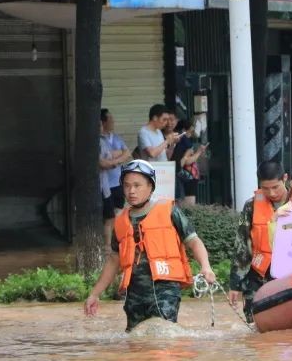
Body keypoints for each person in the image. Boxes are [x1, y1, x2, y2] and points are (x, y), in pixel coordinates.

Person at [84, 160, 215, 331]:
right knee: (136, 344)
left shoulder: (169, 211)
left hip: (165, 289)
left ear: (150, 186)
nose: (131, 191)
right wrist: (95, 294)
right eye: (127, 185)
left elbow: (194, 241)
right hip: (135, 294)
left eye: (137, 185)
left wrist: (206, 267)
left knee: (161, 338)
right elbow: (113, 260)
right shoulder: (121, 221)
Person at [228, 161, 291, 322]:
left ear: (285, 178)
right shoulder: (251, 206)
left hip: (288, 276)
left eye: (275, 187)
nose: (271, 192)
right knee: (255, 326)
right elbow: (242, 244)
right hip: (258, 275)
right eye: (265, 188)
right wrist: (235, 284)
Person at [99, 108, 132, 244]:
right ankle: (106, 244)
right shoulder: (100, 140)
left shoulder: (116, 137)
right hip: (105, 184)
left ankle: (115, 239)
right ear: (103, 122)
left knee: (118, 212)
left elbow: (127, 153)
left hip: (117, 182)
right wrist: (117, 156)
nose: (113, 122)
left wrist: (115, 160)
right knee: (107, 215)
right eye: (110, 119)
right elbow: (103, 160)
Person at [172, 119, 206, 208]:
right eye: (190, 131)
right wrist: (199, 152)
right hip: (186, 175)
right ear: (184, 130)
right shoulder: (184, 142)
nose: (191, 134)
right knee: (189, 205)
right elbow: (187, 160)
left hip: (185, 174)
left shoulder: (181, 141)